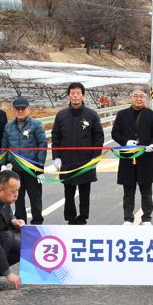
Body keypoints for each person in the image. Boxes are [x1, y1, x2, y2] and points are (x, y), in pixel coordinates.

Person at [51, 82, 105, 225]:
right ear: (69, 95)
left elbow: (98, 137)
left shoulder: (91, 115)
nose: (75, 96)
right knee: (68, 192)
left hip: (86, 160)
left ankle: (83, 217)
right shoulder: (61, 115)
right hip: (67, 161)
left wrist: (95, 157)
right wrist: (56, 157)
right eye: (72, 93)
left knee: (84, 191)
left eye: (78, 93)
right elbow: (55, 137)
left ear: (83, 96)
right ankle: (70, 218)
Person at [111, 88, 153, 226]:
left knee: (147, 191)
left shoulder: (152, 115)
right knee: (128, 191)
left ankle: (147, 218)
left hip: (146, 158)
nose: (139, 99)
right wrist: (125, 142)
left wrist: (152, 144)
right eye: (136, 96)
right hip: (127, 158)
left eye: (142, 96)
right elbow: (115, 133)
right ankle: (128, 218)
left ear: (146, 98)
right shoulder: (122, 114)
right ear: (130, 98)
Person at [1, 97, 47, 225]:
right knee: (17, 198)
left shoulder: (36, 125)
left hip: (32, 169)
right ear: (14, 110)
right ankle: (20, 224)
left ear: (28, 109)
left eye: (23, 109)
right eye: (18, 109)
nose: (20, 111)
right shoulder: (8, 126)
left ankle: (37, 223)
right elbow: (5, 146)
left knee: (35, 198)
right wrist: (3, 164)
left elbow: (42, 145)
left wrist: (39, 168)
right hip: (16, 170)